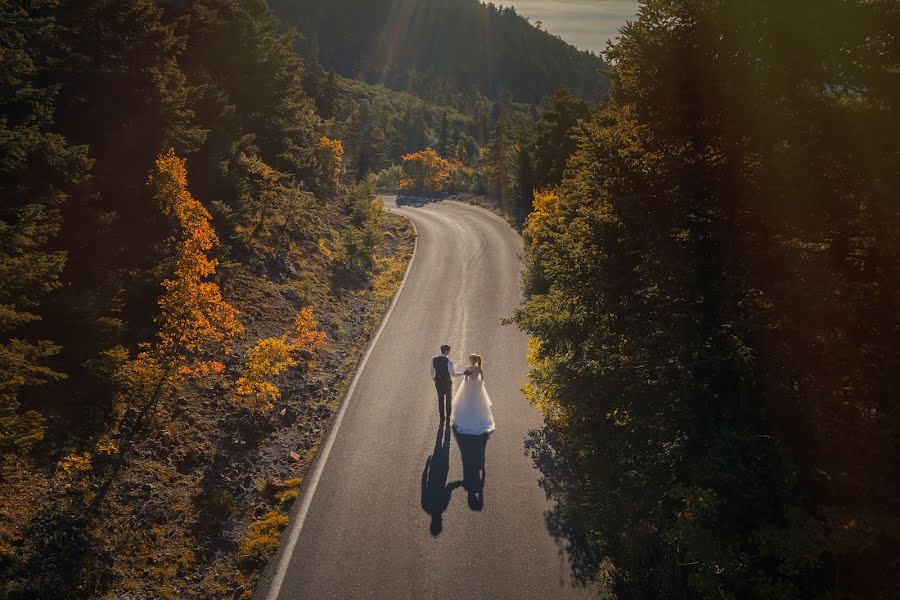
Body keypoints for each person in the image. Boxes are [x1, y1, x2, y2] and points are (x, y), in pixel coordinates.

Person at [450, 354, 496, 435]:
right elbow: (482, 379)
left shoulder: (468, 368)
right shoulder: (479, 368)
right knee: (478, 403)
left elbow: (466, 380)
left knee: (468, 402)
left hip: (469, 387)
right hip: (477, 387)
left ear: (471, 360)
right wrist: (478, 384)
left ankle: (468, 418)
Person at [431, 344, 464, 420]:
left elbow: (432, 371)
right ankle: (448, 416)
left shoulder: (434, 359)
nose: (449, 352)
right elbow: (453, 374)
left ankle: (442, 416)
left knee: (440, 399)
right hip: (447, 383)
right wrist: (463, 373)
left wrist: (434, 378)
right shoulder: (449, 362)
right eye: (448, 351)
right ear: (446, 351)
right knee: (448, 399)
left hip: (438, 382)